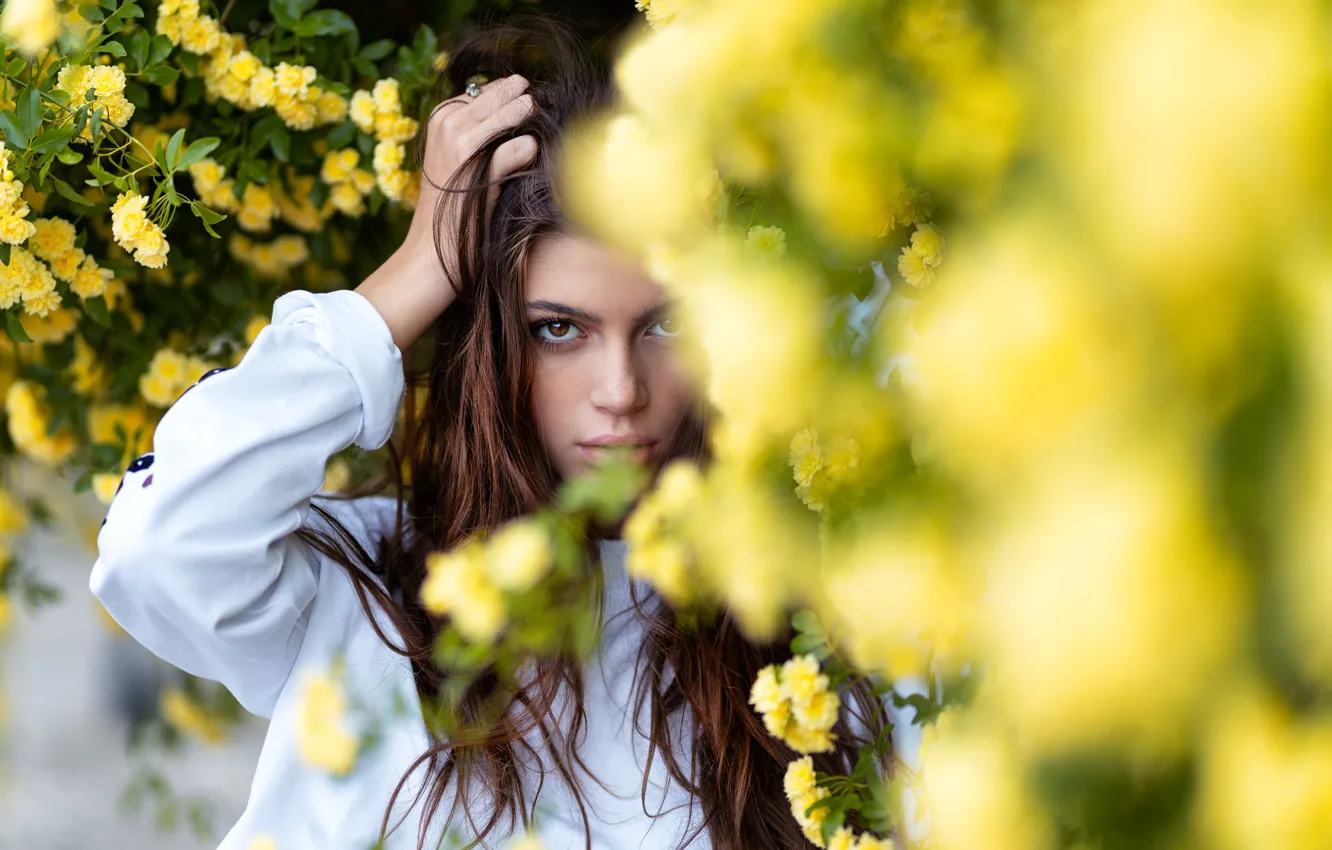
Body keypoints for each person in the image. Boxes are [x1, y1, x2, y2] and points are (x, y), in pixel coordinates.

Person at [91, 17, 892, 850]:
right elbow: (159, 544)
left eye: (667, 326)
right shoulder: (365, 593)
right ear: (493, 347)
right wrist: (421, 266)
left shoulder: (823, 630)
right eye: (559, 331)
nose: (621, 391)